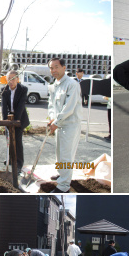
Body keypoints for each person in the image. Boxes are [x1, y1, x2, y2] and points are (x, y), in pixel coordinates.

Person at [47, 57, 83, 193]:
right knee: (59, 152)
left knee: (66, 155)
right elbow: (51, 104)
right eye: (51, 68)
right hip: (58, 124)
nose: (53, 70)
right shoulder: (53, 85)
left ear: (64, 68)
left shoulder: (72, 84)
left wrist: (56, 122)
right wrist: (52, 118)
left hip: (70, 125)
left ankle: (63, 186)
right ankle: (61, 173)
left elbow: (69, 107)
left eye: (56, 67)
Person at [2, 70, 30, 174]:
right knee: (8, 139)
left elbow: (21, 106)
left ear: (17, 79)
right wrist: (6, 122)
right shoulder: (4, 89)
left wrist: (15, 122)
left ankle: (19, 163)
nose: (11, 81)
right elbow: (3, 107)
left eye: (13, 78)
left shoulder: (23, 89)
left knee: (17, 141)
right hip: (9, 117)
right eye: (9, 78)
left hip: (20, 118)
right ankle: (10, 158)